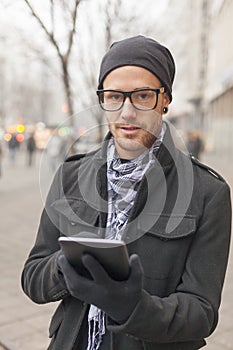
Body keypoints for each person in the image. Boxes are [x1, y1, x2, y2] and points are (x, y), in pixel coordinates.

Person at [21, 35, 231, 350]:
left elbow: (201, 312)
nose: (127, 112)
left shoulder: (207, 192)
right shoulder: (70, 175)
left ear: (165, 100)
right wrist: (63, 269)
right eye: (114, 96)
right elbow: (32, 277)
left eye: (143, 96)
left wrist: (134, 307)